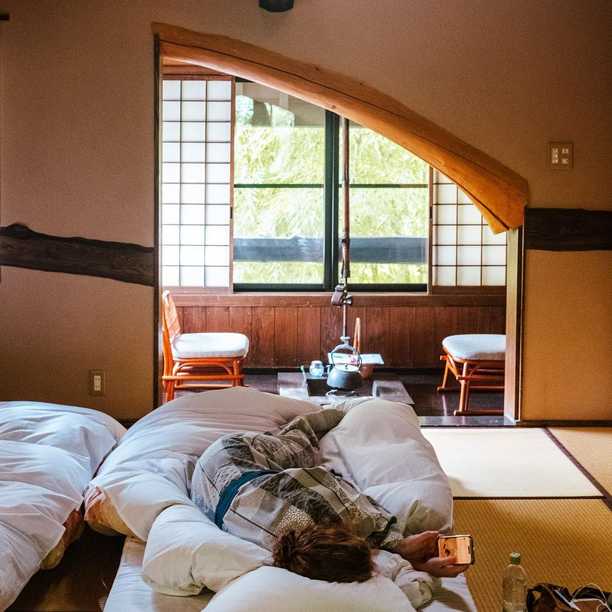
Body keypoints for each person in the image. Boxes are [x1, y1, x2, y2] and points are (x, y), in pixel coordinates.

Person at [190, 408, 468, 584]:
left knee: (301, 441)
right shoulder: (293, 553)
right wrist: (414, 562)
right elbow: (387, 571)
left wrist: (401, 545)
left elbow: (348, 501)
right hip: (216, 479)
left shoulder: (317, 503)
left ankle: (337, 408)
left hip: (233, 455)